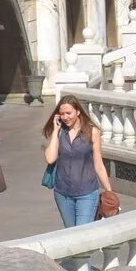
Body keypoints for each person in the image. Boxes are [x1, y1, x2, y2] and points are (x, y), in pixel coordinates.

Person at [42, 96, 115, 227]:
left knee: (82, 232)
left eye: (68, 113)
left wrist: (109, 192)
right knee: (70, 233)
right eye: (62, 114)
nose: (65, 117)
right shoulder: (60, 132)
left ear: (78, 112)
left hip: (86, 193)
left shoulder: (92, 131)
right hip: (63, 193)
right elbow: (50, 158)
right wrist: (55, 131)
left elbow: (98, 164)